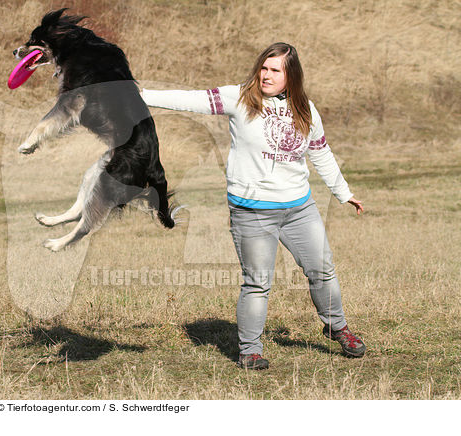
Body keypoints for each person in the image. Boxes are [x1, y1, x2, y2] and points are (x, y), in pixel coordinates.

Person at [141, 42, 366, 370]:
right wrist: (144, 95)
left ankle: (338, 327)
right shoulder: (241, 97)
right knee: (258, 281)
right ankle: (250, 350)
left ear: (291, 76)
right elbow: (191, 99)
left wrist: (343, 192)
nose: (266, 75)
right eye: (264, 67)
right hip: (253, 212)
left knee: (322, 270)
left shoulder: (305, 109)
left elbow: (320, 151)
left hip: (299, 208)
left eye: (275, 70)